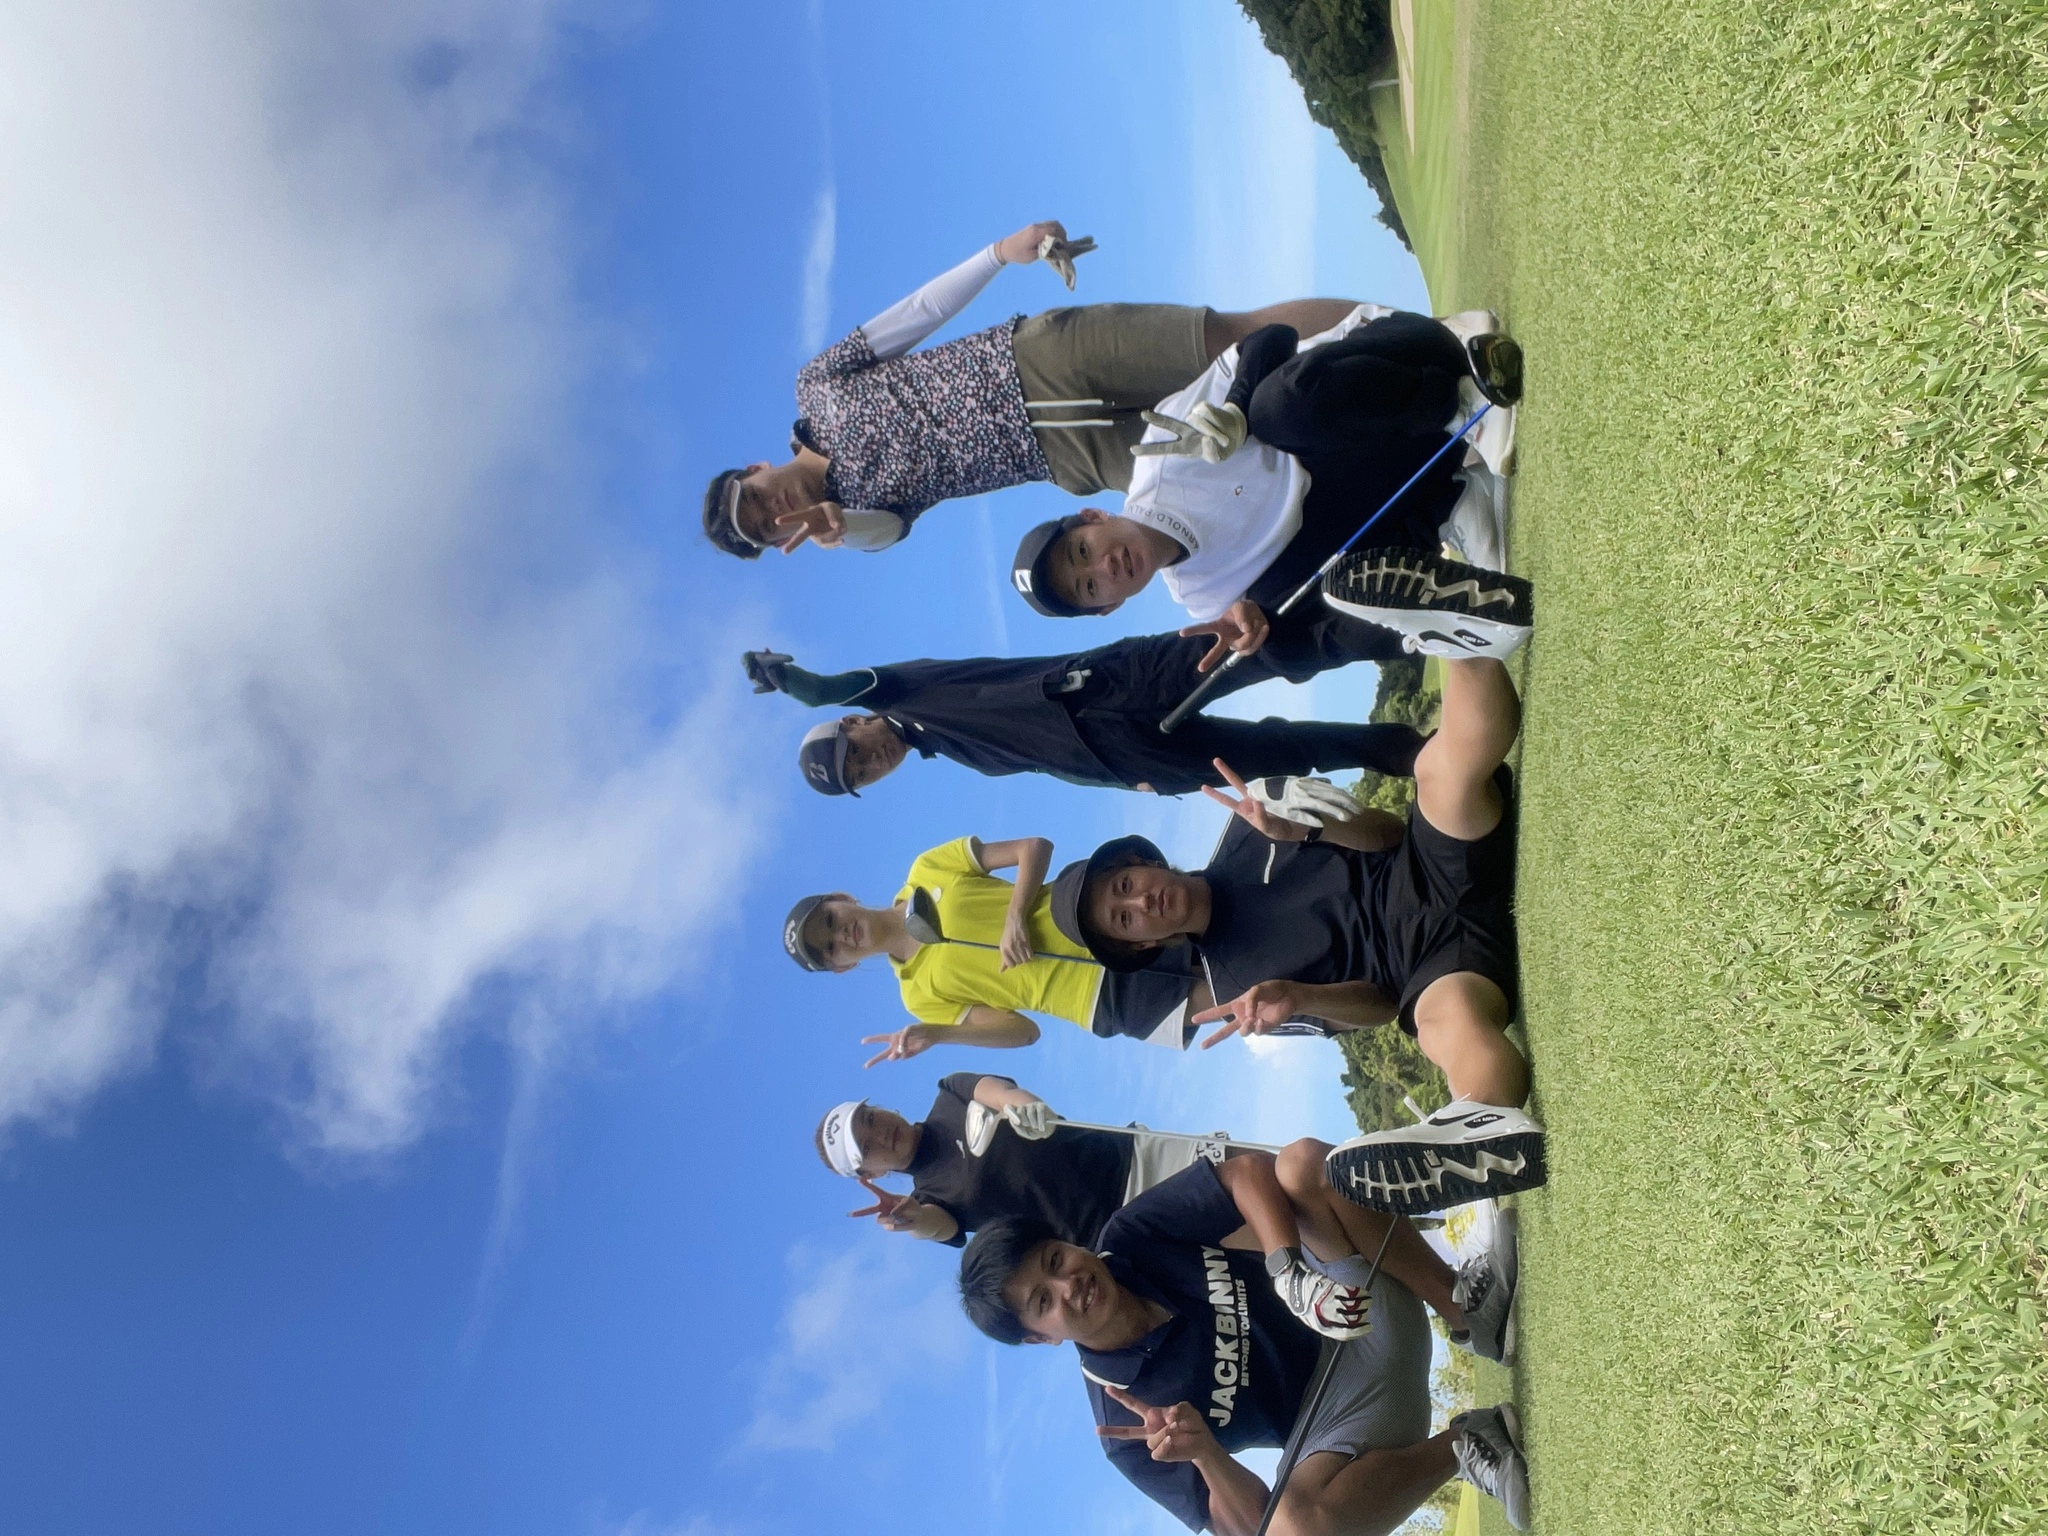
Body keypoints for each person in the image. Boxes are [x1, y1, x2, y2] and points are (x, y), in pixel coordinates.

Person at [1045, 650, 1547, 1216]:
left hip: (1427, 864)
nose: (1141, 902)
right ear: (1140, 944)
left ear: (1141, 861)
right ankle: (1481, 1134)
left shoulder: (1247, 825)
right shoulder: (1239, 996)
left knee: (1439, 775)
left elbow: (1386, 834)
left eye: (1126, 884)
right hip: (1430, 969)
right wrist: (1299, 997)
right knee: (1443, 1028)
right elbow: (1381, 1006)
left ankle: (1465, 641)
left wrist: (1309, 831)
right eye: (1125, 918)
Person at [701, 218, 1381, 557]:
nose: (775, 512)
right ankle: (1392, 404)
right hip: (1068, 456)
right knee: (1245, 447)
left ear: (756, 468)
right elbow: (890, 530)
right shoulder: (856, 521)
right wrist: (842, 524)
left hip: (1044, 357)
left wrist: (999, 253)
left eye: (756, 498)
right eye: (764, 530)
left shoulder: (817, 386)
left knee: (1232, 338)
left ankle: (1401, 329)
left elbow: (915, 315)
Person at [957, 1153, 1531, 1533]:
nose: (1069, 1285)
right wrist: (1206, 1454)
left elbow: (1247, 1173)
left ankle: (1466, 1312)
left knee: (1303, 1164)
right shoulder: (1125, 1428)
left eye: (1054, 1260)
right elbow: (1249, 1526)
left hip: (1359, 1308)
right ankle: (1466, 1446)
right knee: (1291, 1532)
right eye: (1043, 1301)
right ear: (1041, 1337)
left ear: (1066, 1242)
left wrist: (1289, 1273)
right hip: (1353, 1425)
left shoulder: (1130, 1238)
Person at [1009, 307, 1524, 672]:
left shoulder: (1162, 449)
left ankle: (1463, 406)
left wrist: (1235, 408)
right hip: (1406, 473)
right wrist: (1254, 619)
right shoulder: (1201, 599)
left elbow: (1271, 338)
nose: (1104, 568)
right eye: (1090, 588)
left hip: (1412, 359)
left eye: (1082, 552)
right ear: (1110, 608)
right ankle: (1449, 524)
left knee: (1272, 411)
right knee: (1269, 640)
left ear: (1093, 517)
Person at [741, 600, 1436, 801]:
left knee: (1264, 648)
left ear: (854, 722)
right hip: (1124, 758)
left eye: (856, 753)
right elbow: (1046, 762)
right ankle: (1412, 755)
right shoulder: (947, 750)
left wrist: (792, 682)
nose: (871, 763)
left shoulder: (901, 689)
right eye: (862, 776)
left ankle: (1416, 628)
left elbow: (830, 688)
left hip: (1105, 684)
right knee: (1277, 755)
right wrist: (1124, 781)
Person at [813, 1073, 1246, 1249]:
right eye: (867, 1147)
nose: (880, 1133)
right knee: (1255, 1240)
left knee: (1258, 1172)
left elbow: (1002, 1093)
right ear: (871, 1173)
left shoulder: (949, 1093)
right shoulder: (927, 1198)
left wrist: (1026, 1108)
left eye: (870, 1118)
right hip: (1120, 1231)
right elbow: (940, 1225)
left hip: (1135, 1155)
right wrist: (911, 1221)